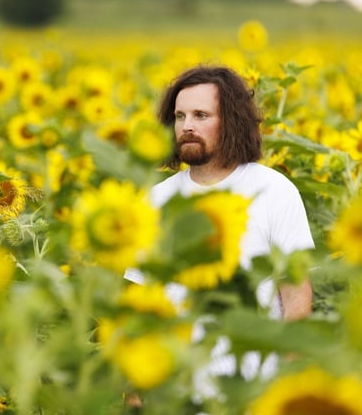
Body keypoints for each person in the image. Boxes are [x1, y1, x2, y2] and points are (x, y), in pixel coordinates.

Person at [124, 65, 314, 403]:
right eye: (180, 116)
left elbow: (297, 301)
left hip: (253, 393)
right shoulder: (156, 201)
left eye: (201, 115)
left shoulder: (273, 191)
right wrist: (135, 394)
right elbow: (139, 308)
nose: (187, 127)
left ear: (231, 121)